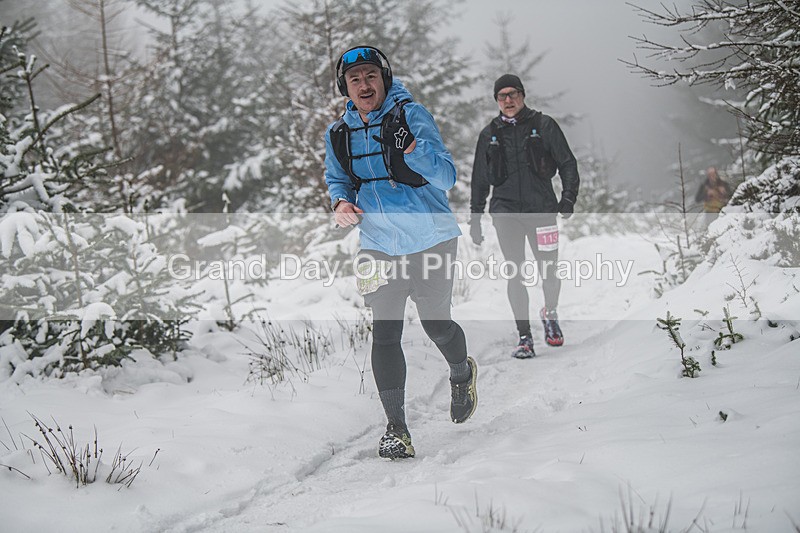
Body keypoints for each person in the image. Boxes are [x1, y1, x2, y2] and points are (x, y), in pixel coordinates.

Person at [324, 46, 478, 460]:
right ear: (346, 87)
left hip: (431, 240)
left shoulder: (411, 115)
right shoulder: (339, 133)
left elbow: (445, 176)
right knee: (385, 332)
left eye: (371, 75)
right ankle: (396, 428)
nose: (364, 84)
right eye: (355, 79)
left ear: (384, 78)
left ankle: (461, 372)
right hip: (377, 246)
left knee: (437, 326)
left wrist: (412, 148)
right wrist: (341, 203)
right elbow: (337, 179)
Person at [470, 74, 580, 358]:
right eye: (502, 96)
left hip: (542, 211)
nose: (508, 100)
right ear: (496, 100)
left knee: (549, 270)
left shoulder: (544, 125)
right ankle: (524, 337)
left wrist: (568, 198)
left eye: (513, 94)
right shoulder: (489, 134)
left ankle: (550, 313)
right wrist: (475, 219)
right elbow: (480, 180)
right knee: (515, 273)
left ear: (522, 95)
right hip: (506, 214)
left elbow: (567, 162)